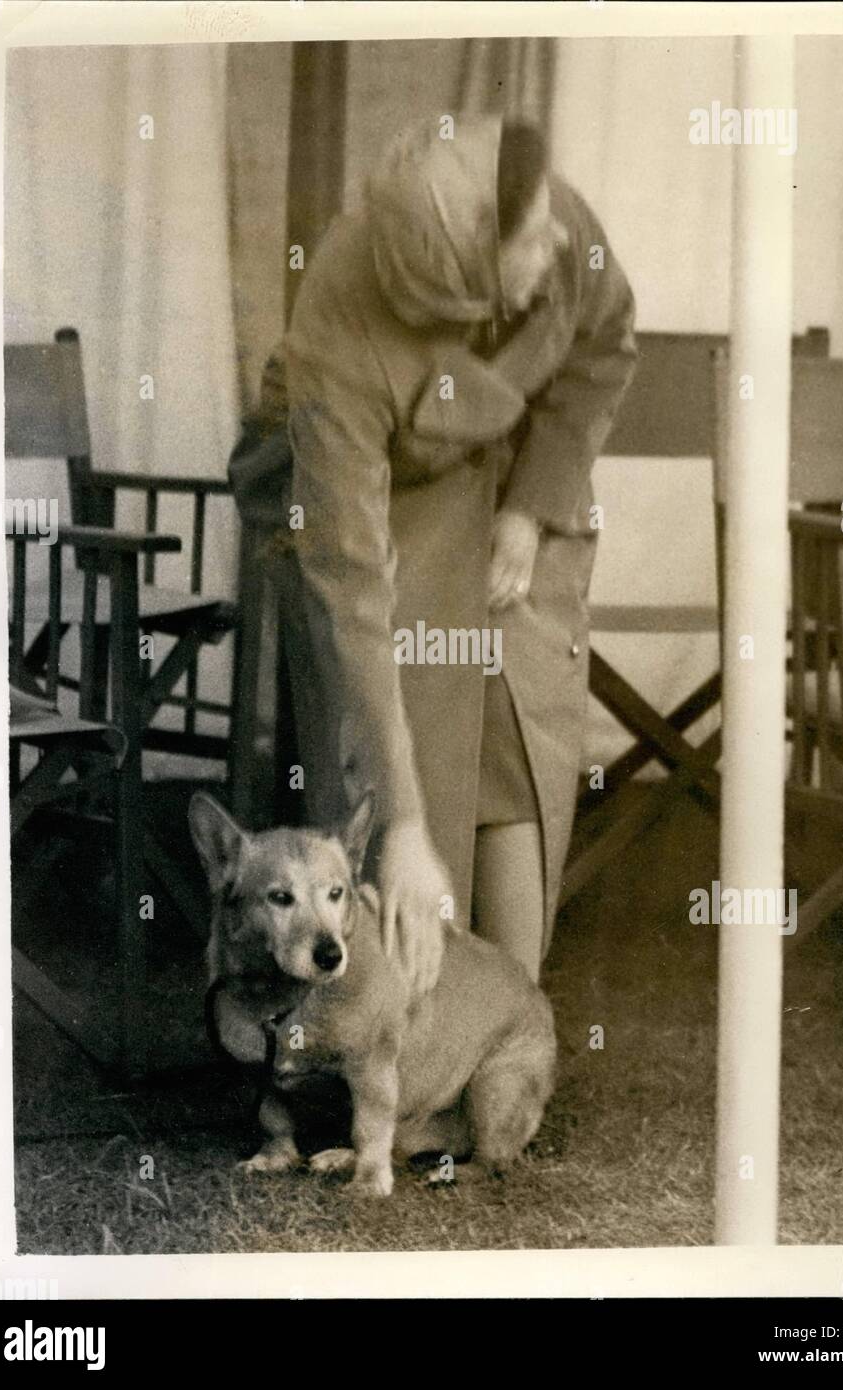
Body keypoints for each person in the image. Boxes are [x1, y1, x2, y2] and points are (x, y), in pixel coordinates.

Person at [254, 114, 637, 994]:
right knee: (405, 720)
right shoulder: (338, 340)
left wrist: (531, 509)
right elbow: (353, 591)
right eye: (531, 240)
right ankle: (399, 1038)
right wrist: (401, 826)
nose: (557, 241)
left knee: (519, 685)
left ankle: (506, 1006)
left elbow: (603, 347)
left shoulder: (549, 215)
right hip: (370, 494)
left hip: (509, 473)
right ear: (463, 273)